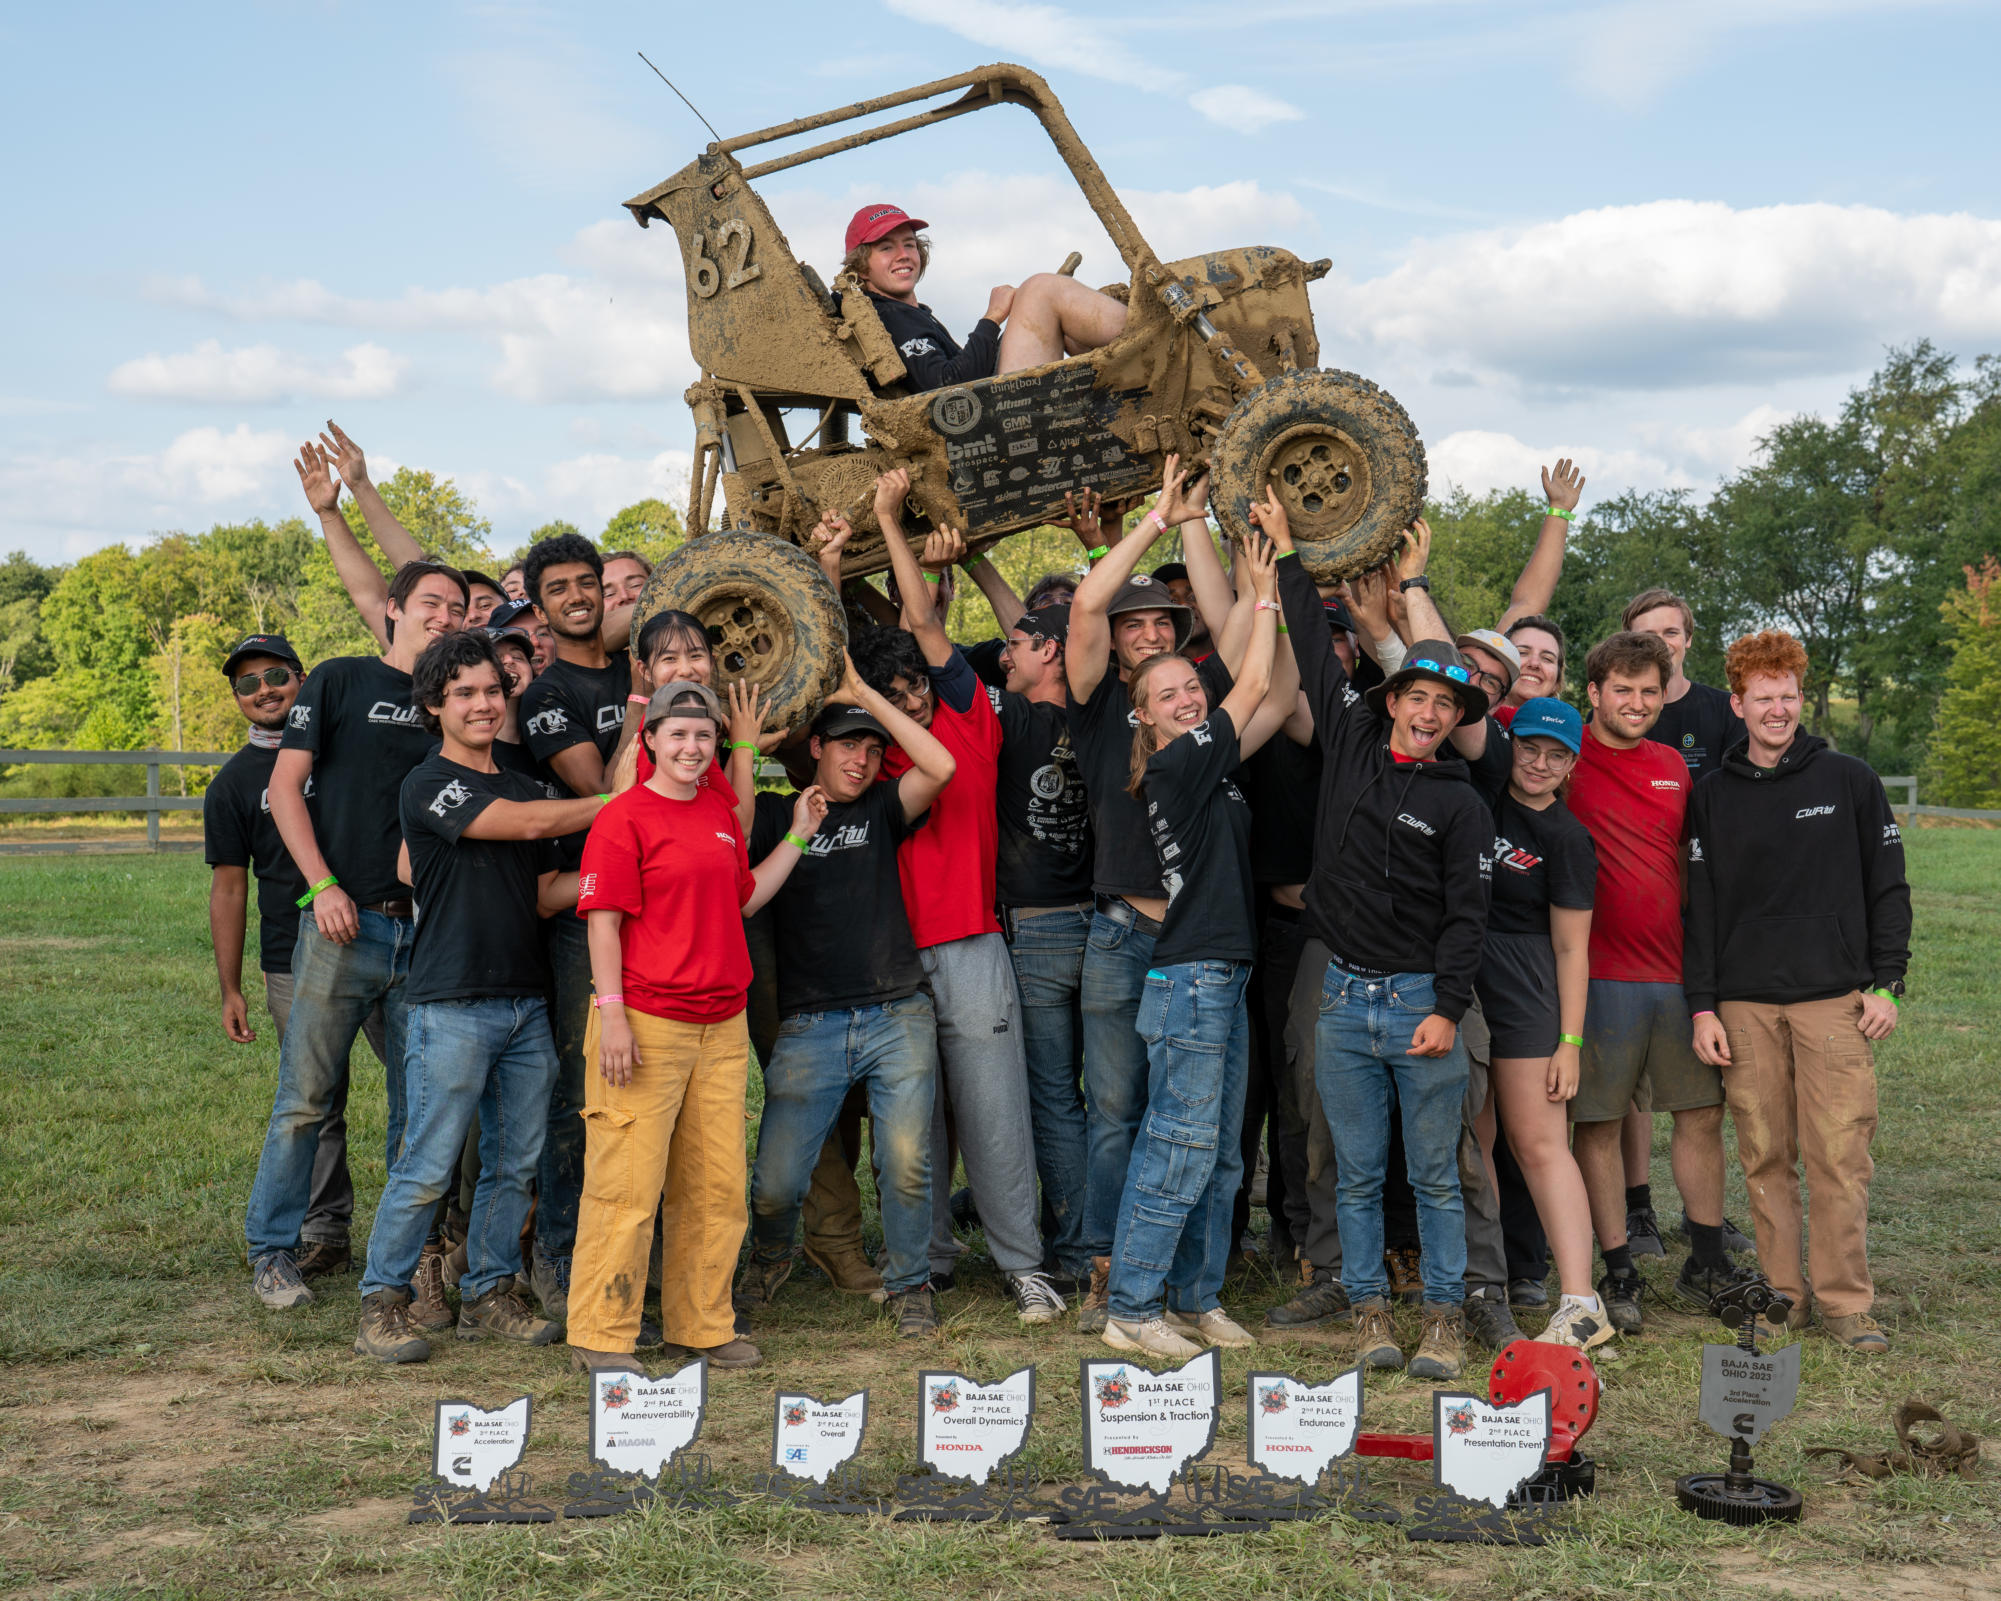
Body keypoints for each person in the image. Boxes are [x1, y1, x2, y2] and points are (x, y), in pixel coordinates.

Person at [1274, 505, 1494, 1382]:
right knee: (1357, 1172)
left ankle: (1442, 1318)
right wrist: (1291, 554)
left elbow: (1466, 919)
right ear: (1393, 700)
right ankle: (1368, 1310)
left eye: (1446, 703)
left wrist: (1444, 1008)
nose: (1430, 712)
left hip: (1414, 1005)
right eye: (1419, 696)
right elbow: (1301, 628)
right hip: (1342, 1000)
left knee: (1435, 1174)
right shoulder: (1351, 745)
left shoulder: (1460, 801)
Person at [353, 632, 607, 1363]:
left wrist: (610, 887)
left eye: (492, 690)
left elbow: (543, 892)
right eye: (463, 692)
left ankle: (491, 1288)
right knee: (428, 1161)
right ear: (434, 704)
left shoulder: (527, 786)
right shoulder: (431, 782)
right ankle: (382, 1300)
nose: (481, 703)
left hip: (525, 1002)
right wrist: (619, 804)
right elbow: (524, 826)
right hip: (450, 1002)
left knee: (512, 1162)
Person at [566, 683, 827, 1372]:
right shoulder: (624, 817)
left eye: (703, 736)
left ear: (716, 744)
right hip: (645, 1021)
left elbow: (743, 898)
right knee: (626, 1182)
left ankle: (702, 1325)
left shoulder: (716, 810)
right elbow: (603, 923)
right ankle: (601, 1330)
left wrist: (798, 835)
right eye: (676, 734)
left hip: (721, 1023)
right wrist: (611, 1013)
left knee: (712, 1186)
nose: (690, 747)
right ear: (649, 739)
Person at [863, 473, 1071, 1320]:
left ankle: (1024, 1262)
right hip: (891, 954)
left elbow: (918, 620)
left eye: (915, 682)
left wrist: (887, 518)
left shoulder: (965, 717)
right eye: (891, 694)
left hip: (971, 940)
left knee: (994, 1112)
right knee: (913, 1122)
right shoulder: (863, 757)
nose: (910, 696)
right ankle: (931, 1257)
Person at [244, 558, 468, 1313]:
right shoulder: (340, 680)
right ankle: (272, 1250)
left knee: (417, 1107)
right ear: (394, 608)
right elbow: (282, 788)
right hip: (344, 926)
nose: (445, 615)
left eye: (458, 606)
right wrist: (322, 885)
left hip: (428, 935)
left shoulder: (454, 702)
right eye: (431, 602)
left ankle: (402, 1263)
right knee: (306, 1097)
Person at [1685, 631, 1911, 1352]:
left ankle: (1846, 1302)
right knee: (1763, 1152)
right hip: (1745, 1005)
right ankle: (1783, 1295)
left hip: (1832, 1001)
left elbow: (1888, 886)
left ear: (1799, 698)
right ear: (1738, 703)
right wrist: (1702, 1004)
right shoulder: (1712, 796)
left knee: (1838, 1153)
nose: (1776, 709)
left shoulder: (1847, 779)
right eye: (1763, 697)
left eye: (1787, 696)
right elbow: (1699, 909)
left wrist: (1886, 982)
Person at [1101, 519, 1295, 1357]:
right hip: (1188, 980)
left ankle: (1195, 1296)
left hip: (1223, 973)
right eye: (1169, 692)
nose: (1187, 696)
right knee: (1175, 1143)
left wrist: (1268, 598)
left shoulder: (1212, 766)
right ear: (1144, 717)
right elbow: (1249, 684)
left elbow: (1266, 692)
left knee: (1218, 1153)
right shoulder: (1179, 763)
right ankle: (1132, 1307)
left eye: (1190, 684)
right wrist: (1264, 587)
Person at [736, 659, 957, 1337]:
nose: (859, 761)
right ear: (815, 748)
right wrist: (750, 744)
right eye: (845, 745)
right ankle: (771, 1254)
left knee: (907, 1160)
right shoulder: (777, 814)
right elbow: (728, 823)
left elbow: (940, 767)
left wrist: (862, 694)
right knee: (775, 1179)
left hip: (897, 1011)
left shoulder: (883, 810)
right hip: (810, 1024)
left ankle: (910, 1281)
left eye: (870, 750)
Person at [1064, 457, 1224, 1331]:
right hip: (1120, 930)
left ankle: (1178, 1285)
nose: (1147, 630)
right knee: (1116, 1110)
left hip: (1195, 937)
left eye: (1162, 621)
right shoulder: (1097, 703)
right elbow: (1089, 603)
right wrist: (1154, 521)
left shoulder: (1192, 705)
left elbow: (1239, 636)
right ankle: (1104, 1269)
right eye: (1137, 624)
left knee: (1187, 1118)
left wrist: (1195, 523)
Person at [1565, 631, 1737, 1334]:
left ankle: (1704, 1256)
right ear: (1594, 691)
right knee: (1599, 1124)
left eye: (1648, 691)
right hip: (1597, 974)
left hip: (1675, 972)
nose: (1635, 703)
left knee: (1698, 1114)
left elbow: (1690, 862)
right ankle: (1618, 1268)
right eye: (1622, 689)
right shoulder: (1562, 754)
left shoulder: (1673, 765)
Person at [207, 633, 370, 1280]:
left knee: (427, 1086)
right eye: (247, 683)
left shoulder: (346, 751)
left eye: (275, 675)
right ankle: (325, 1230)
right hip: (291, 956)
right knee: (315, 1099)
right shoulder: (233, 784)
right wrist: (230, 986)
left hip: (381, 934)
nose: (264, 689)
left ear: (302, 679)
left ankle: (439, 1240)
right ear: (238, 699)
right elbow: (228, 885)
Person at [1464, 697, 1610, 1349]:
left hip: (1527, 990)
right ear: (1510, 744)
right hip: (1466, 980)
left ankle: (1581, 1300)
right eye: (1529, 747)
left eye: (1556, 754)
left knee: (1538, 1143)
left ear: (1572, 763)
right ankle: (1485, 1284)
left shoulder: (1567, 838)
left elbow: (1571, 948)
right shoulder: (1484, 793)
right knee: (1477, 1135)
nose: (1539, 763)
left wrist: (1568, 1041)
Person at [517, 532, 636, 1323]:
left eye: (586, 582)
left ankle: (635, 1257)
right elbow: (603, 789)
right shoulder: (545, 694)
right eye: (558, 587)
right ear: (539, 606)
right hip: (585, 913)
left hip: (667, 907)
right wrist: (640, 713)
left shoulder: (648, 660)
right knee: (575, 1093)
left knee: (649, 1090)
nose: (576, 595)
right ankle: (558, 1257)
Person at [1618, 586, 1751, 1258]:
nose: (1661, 644)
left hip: (1704, 911)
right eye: (1647, 632)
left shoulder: (1714, 713)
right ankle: (1636, 1206)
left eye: (1671, 632)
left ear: (1687, 639)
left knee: (1701, 1083)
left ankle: (1706, 1220)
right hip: (1634, 921)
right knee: (1634, 1079)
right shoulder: (1623, 718)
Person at [990, 602, 1095, 1290]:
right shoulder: (1106, 714)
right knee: (1115, 1097)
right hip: (1107, 922)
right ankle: (1123, 1246)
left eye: (1016, 645)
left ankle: (1082, 1252)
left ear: (1051, 651)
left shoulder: (1014, 718)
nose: (1003, 654)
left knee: (1055, 1098)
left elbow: (932, 649)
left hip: (1036, 929)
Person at [837, 205, 1128, 388]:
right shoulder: (890, 318)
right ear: (862, 267)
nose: (903, 255)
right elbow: (947, 385)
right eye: (886, 248)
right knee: (1041, 289)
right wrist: (992, 319)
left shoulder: (913, 313)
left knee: (1058, 320)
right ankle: (1150, 334)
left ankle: (1131, 374)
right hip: (994, 423)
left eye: (910, 245)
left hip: (996, 400)